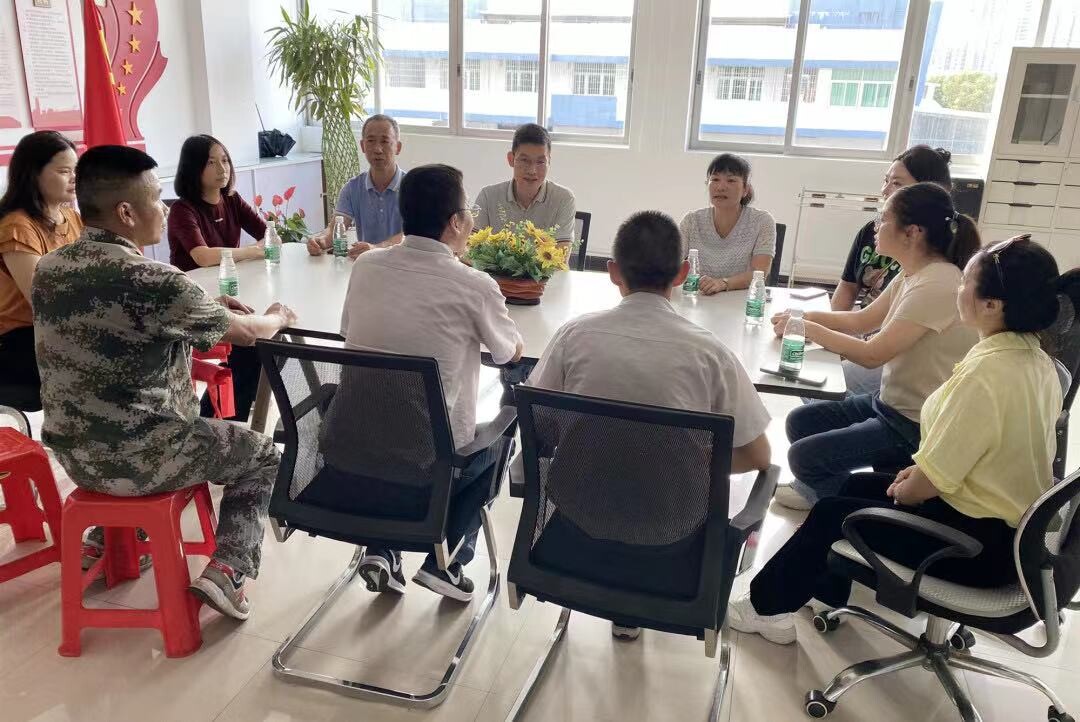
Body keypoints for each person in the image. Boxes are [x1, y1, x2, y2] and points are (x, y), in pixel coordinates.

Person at [728, 235, 1072, 644]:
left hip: (970, 548)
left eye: (967, 282)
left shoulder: (986, 375)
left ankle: (764, 610)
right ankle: (823, 590)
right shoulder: (1038, 362)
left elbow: (927, 484)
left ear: (992, 306)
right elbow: (972, 455)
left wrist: (910, 485)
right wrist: (915, 476)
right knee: (854, 487)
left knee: (832, 514)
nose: (959, 288)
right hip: (1007, 532)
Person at [33, 145, 297, 620]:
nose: (166, 208)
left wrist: (203, 306)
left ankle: (109, 538)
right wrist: (276, 317)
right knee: (262, 454)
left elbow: (119, 324)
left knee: (116, 416)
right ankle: (229, 571)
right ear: (126, 212)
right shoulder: (154, 279)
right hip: (145, 459)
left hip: (74, 458)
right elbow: (244, 333)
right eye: (157, 198)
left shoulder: (49, 269)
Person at [527, 210, 772, 640]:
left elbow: (540, 426)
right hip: (672, 539)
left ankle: (614, 598)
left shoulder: (573, 336)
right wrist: (693, 459)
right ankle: (632, 603)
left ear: (612, 272)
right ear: (682, 274)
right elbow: (758, 455)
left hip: (577, 528)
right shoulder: (711, 354)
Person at [310, 163, 523, 602]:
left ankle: (382, 548)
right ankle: (446, 563)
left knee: (389, 418)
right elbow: (508, 354)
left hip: (349, 456)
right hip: (427, 468)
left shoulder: (367, 266)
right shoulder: (474, 285)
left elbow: (350, 330)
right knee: (500, 437)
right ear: (456, 223)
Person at [772, 182, 981, 511]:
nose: (875, 226)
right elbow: (862, 321)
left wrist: (806, 328)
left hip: (912, 423)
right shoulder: (914, 273)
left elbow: (873, 355)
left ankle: (858, 506)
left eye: (883, 218)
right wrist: (801, 316)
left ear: (911, 232)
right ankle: (828, 492)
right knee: (800, 422)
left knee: (803, 458)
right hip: (888, 403)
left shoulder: (939, 283)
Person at [832, 145, 954, 396]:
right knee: (820, 371)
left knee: (825, 381)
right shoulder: (890, 250)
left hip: (899, 358)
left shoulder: (934, 270)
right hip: (869, 341)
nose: (885, 190)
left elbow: (874, 354)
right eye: (885, 180)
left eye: (896, 183)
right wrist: (821, 329)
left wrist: (815, 331)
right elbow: (855, 306)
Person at [168, 134, 267, 422]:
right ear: (194, 168)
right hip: (196, 302)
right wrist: (250, 251)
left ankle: (228, 413)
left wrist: (259, 246)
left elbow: (268, 235)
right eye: (211, 163)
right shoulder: (183, 209)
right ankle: (219, 418)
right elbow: (202, 255)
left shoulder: (232, 200)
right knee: (253, 349)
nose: (222, 169)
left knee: (268, 345)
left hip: (232, 293)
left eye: (225, 160)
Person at [0, 130, 82, 408]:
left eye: (75, 170)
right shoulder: (17, 226)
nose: (74, 178)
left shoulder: (72, 217)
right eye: (64, 171)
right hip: (23, 340)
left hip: (65, 328)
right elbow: (45, 300)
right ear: (33, 174)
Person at [307, 114, 406, 258]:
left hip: (404, 264)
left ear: (398, 147)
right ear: (362, 146)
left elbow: (415, 235)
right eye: (371, 141)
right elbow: (336, 228)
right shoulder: (352, 188)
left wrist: (376, 248)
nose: (377, 149)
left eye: (385, 141)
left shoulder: (414, 187)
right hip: (365, 264)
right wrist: (320, 241)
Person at [679, 153, 775, 295]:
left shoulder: (762, 221)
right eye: (715, 179)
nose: (720, 187)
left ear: (745, 189)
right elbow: (670, 263)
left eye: (731, 180)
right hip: (697, 298)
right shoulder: (691, 221)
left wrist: (723, 283)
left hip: (740, 301)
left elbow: (759, 273)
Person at [474, 123, 575, 250]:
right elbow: (471, 249)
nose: (532, 171)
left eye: (540, 162)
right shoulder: (488, 196)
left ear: (549, 161)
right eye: (524, 160)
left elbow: (561, 257)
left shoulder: (563, 199)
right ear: (511, 159)